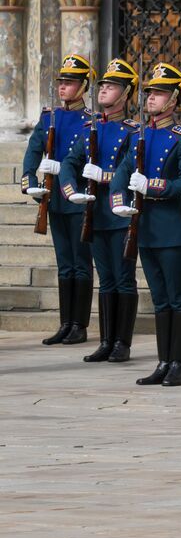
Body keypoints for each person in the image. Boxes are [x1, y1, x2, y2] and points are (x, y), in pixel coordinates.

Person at [110, 63, 181, 387]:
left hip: (172, 230)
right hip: (144, 228)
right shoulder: (139, 134)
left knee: (178, 297)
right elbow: (122, 174)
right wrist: (118, 201)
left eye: (159, 93)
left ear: (174, 100)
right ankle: (163, 361)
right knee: (160, 299)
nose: (151, 97)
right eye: (149, 92)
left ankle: (178, 363)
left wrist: (152, 186)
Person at [60, 58, 141, 362]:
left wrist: (104, 177)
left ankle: (122, 342)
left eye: (112, 86)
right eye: (103, 85)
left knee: (123, 278)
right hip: (95, 212)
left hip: (120, 214)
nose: (104, 89)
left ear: (126, 93)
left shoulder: (134, 131)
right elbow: (71, 161)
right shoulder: (90, 127)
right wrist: (71, 189)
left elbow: (129, 166)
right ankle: (106, 340)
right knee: (106, 278)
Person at [22, 54, 96, 346]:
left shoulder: (90, 121)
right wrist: (30, 181)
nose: (63, 87)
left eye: (70, 83)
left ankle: (80, 324)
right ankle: (65, 323)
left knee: (81, 262)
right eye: (62, 82)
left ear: (83, 87)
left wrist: (63, 165)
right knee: (65, 263)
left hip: (77, 197)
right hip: (54, 199)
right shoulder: (48, 117)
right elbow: (33, 149)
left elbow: (87, 155)